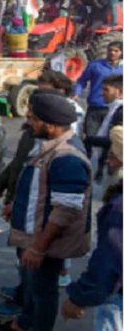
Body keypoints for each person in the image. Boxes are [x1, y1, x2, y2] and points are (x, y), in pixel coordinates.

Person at [5, 93, 91, 331]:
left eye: (33, 119)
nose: (28, 123)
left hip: (44, 243)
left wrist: (37, 248)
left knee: (43, 292)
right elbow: (42, 188)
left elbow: (65, 211)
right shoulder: (52, 146)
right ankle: (26, 321)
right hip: (36, 235)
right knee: (33, 288)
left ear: (50, 125)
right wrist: (17, 205)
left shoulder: (67, 157)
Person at [62, 125, 122, 331]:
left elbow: (108, 262)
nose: (108, 160)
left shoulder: (119, 209)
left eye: (114, 156)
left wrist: (78, 298)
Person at [74, 41, 123, 147]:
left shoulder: (122, 68)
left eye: (116, 51)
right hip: (95, 107)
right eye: (110, 50)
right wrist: (76, 93)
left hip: (115, 110)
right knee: (89, 138)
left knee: (111, 141)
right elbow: (82, 81)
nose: (112, 53)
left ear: (121, 53)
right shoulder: (95, 65)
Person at [88, 75, 123, 178]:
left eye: (106, 90)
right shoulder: (113, 110)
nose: (101, 93)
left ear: (119, 92)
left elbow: (116, 141)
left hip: (112, 169)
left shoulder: (120, 112)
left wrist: (89, 140)